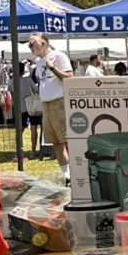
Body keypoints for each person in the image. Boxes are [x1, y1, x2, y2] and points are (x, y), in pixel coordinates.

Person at [28, 33, 74, 181]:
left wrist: (53, 68)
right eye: (29, 44)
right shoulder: (39, 61)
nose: (30, 47)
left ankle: (77, 173)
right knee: (56, 142)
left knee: (68, 140)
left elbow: (69, 78)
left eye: (32, 43)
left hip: (60, 103)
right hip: (46, 105)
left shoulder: (59, 56)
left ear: (44, 43)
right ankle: (67, 176)